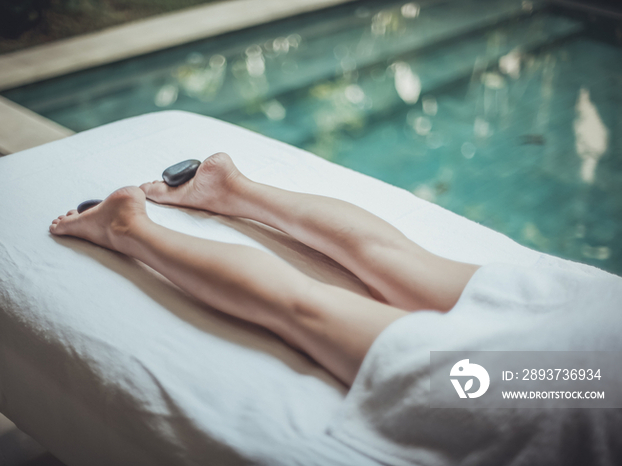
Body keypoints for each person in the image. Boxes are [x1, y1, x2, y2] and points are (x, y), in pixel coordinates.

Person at [49, 152, 479, 386]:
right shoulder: (539, 385)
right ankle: (127, 227)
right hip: (537, 380)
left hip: (548, 313)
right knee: (303, 303)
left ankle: (233, 189)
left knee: (396, 255)